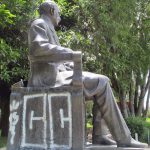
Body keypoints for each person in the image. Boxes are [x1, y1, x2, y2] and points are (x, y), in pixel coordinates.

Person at [27, 0, 148, 148]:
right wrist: (70, 52)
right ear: (52, 11)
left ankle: (101, 136)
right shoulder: (39, 23)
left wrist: (70, 61)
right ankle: (123, 138)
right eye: (58, 12)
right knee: (102, 83)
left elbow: (56, 57)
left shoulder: (49, 27)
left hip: (58, 74)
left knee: (103, 82)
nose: (60, 16)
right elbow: (38, 48)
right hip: (47, 78)